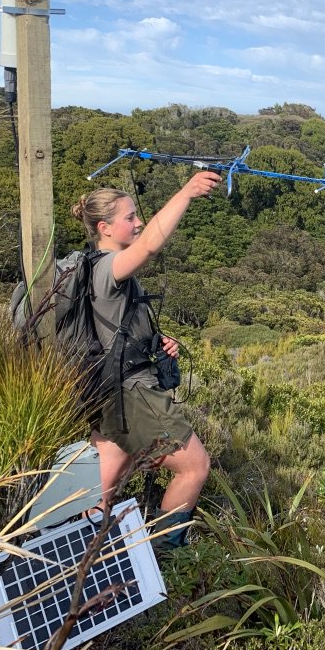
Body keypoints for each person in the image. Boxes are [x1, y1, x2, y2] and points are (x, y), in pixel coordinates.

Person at [70, 171, 221, 551]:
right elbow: (151, 245)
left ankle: (82, 562)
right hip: (129, 393)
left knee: (102, 490)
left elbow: (113, 327)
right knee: (194, 467)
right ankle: (164, 555)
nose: (138, 223)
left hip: (107, 389)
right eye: (130, 217)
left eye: (138, 216)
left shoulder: (98, 269)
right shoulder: (107, 267)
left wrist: (155, 341)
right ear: (104, 227)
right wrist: (186, 192)